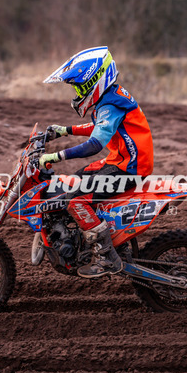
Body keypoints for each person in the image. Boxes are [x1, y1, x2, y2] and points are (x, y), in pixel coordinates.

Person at [40, 46, 154, 278]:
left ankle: (107, 257)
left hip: (130, 168)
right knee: (72, 182)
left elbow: (95, 144)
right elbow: (100, 126)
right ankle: (96, 237)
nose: (77, 92)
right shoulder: (109, 98)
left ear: (95, 81)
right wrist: (65, 130)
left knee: (76, 200)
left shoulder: (111, 104)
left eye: (79, 87)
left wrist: (57, 156)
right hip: (120, 160)